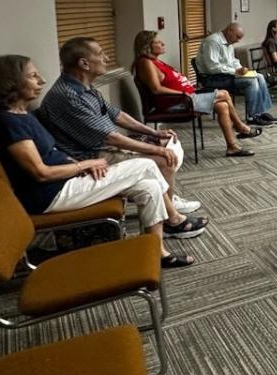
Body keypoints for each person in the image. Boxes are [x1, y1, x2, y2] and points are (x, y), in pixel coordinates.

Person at [0, 55, 198, 267]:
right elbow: (41, 172)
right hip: (50, 195)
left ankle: (157, 252)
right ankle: (174, 218)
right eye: (33, 76)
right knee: (148, 165)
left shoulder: (22, 114)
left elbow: (51, 153)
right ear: (11, 82)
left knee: (148, 186)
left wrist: (77, 167)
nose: (41, 80)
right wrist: (84, 165)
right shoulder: (8, 122)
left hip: (67, 181)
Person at [36, 37, 207, 231]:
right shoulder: (68, 96)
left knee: (165, 147)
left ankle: (168, 202)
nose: (107, 58)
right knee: (161, 159)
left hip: (100, 147)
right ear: (84, 63)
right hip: (88, 157)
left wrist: (153, 132)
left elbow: (117, 115)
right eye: (100, 54)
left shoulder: (85, 88)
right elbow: (110, 137)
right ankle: (171, 218)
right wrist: (155, 149)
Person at [133, 30, 260, 157]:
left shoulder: (156, 61)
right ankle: (240, 127)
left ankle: (232, 147)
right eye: (158, 42)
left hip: (185, 98)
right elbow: (156, 89)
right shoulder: (145, 63)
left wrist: (189, 87)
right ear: (147, 46)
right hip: (177, 102)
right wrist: (183, 93)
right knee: (224, 94)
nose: (162, 43)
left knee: (223, 106)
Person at [195, 22, 277, 126]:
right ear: (229, 31)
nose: (238, 40)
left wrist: (240, 68)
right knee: (251, 81)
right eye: (238, 36)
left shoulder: (228, 43)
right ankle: (252, 116)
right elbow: (212, 67)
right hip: (211, 78)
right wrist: (235, 71)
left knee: (259, 76)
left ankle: (260, 113)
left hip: (225, 75)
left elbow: (232, 61)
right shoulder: (212, 41)